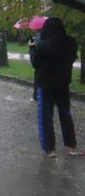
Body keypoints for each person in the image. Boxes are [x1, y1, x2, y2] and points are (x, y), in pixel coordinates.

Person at [29, 17, 83, 157]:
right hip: (63, 84)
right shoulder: (71, 43)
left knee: (46, 117)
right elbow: (72, 58)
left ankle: (50, 149)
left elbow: (35, 63)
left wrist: (32, 48)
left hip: (45, 84)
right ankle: (71, 146)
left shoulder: (43, 45)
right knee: (65, 114)